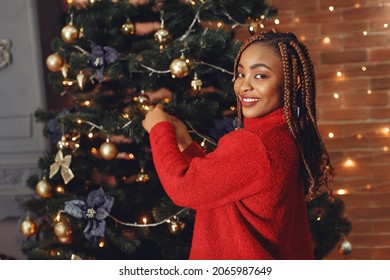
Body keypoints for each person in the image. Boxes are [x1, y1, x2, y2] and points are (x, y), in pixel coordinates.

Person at [142, 30, 335, 260]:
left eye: (260, 76)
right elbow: (221, 183)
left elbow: (183, 189)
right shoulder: (282, 135)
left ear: (293, 82)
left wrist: (159, 130)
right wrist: (185, 144)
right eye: (241, 74)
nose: (244, 86)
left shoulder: (254, 143)